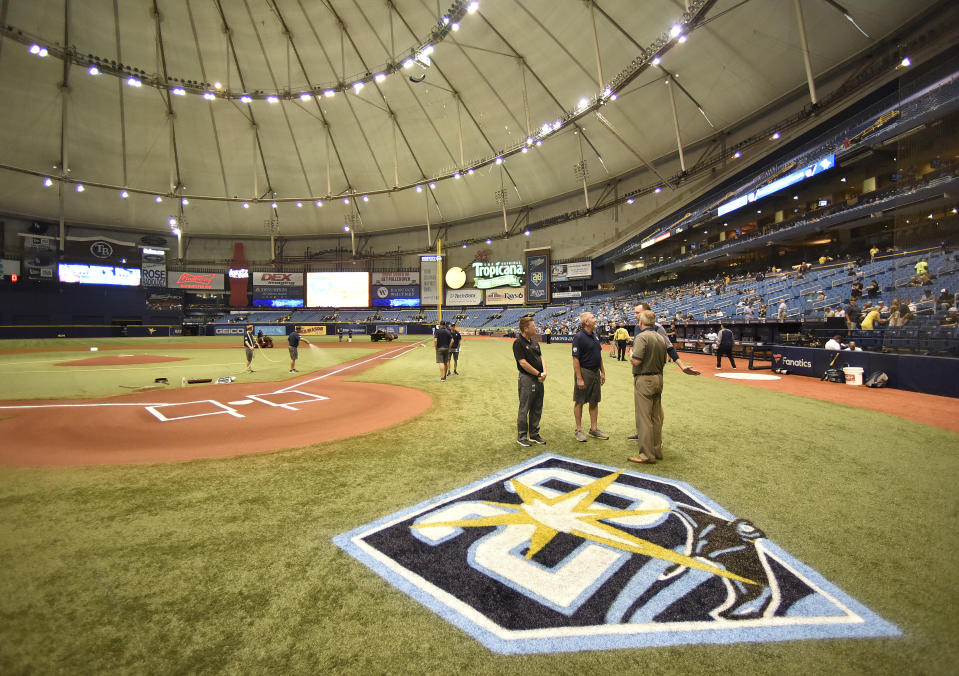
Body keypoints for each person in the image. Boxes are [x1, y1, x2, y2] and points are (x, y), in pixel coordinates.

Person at [628, 309, 668, 465]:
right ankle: (657, 451)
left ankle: (646, 455)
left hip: (645, 379)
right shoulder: (660, 337)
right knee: (655, 418)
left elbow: (637, 361)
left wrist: (631, 355)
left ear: (641, 322)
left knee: (644, 419)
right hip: (658, 378)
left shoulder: (642, 337)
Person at [571, 312, 609, 442]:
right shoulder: (579, 337)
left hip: (595, 372)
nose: (595, 319)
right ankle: (579, 430)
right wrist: (579, 378)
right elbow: (575, 359)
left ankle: (594, 429)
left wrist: (602, 372)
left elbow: (599, 355)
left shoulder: (596, 335)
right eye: (593, 318)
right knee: (580, 400)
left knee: (594, 400)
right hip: (584, 371)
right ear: (586, 322)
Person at [513, 316, 546, 447]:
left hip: (539, 378)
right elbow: (523, 363)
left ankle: (534, 434)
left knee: (537, 407)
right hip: (527, 378)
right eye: (533, 326)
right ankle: (521, 436)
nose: (535, 328)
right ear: (526, 329)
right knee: (525, 407)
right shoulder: (518, 343)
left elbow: (541, 357)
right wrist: (538, 373)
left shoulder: (534, 341)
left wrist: (544, 372)